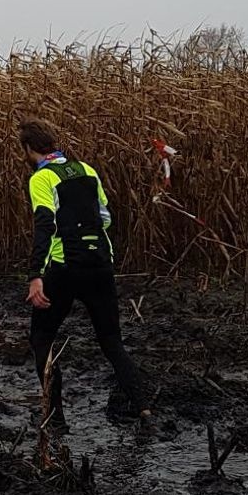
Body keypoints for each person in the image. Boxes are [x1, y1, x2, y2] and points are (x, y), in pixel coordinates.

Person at [19, 120, 151, 423]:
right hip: (100, 266)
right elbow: (105, 217)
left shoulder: (42, 178)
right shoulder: (87, 170)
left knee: (42, 338)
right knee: (111, 342)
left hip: (64, 270)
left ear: (28, 149)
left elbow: (44, 225)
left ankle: (56, 419)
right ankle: (143, 409)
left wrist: (35, 275)